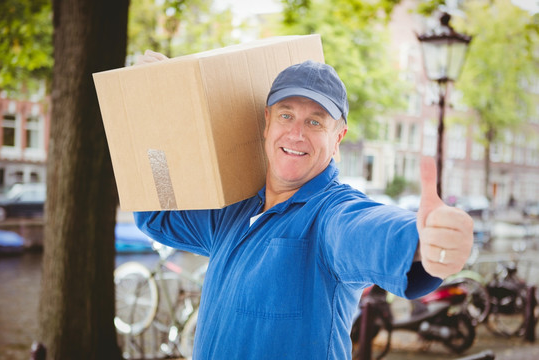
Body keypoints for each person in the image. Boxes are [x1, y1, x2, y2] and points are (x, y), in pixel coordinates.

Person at [134, 50, 474, 360]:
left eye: (315, 122)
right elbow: (156, 215)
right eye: (286, 115)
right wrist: (158, 107)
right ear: (266, 122)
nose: (296, 134)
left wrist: (423, 239)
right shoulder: (231, 215)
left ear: (337, 137)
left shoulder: (330, 215)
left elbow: (367, 229)